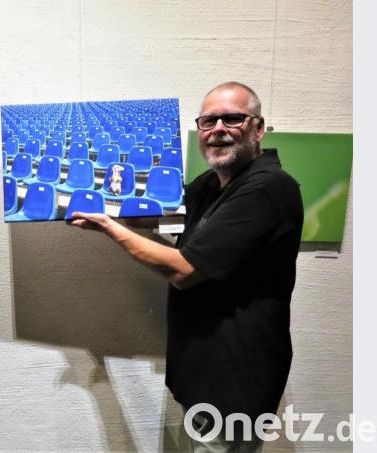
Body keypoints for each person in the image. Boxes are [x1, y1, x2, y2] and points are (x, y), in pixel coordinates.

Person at [69, 82, 303, 452]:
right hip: (203, 367)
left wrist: (109, 228)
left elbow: (184, 271)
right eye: (209, 121)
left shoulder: (267, 188)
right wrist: (109, 205)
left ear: (258, 129)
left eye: (233, 119)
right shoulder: (214, 184)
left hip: (234, 379)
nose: (219, 129)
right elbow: (159, 215)